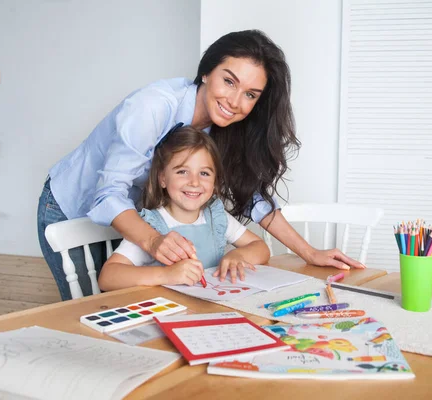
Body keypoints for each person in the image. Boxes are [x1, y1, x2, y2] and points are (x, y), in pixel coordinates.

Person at [37, 29, 364, 301]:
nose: (236, 102)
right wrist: (153, 240)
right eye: (230, 81)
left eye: (251, 95)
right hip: (73, 206)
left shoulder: (224, 131)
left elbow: (254, 198)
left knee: (135, 301)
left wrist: (309, 253)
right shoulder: (152, 107)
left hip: (134, 217)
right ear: (206, 71)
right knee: (93, 308)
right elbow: (108, 195)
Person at [98, 125, 270, 291]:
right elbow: (108, 277)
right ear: (163, 179)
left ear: (215, 182)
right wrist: (166, 275)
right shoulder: (150, 227)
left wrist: (238, 256)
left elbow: (260, 248)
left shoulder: (217, 217)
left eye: (204, 173)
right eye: (182, 172)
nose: (194, 182)